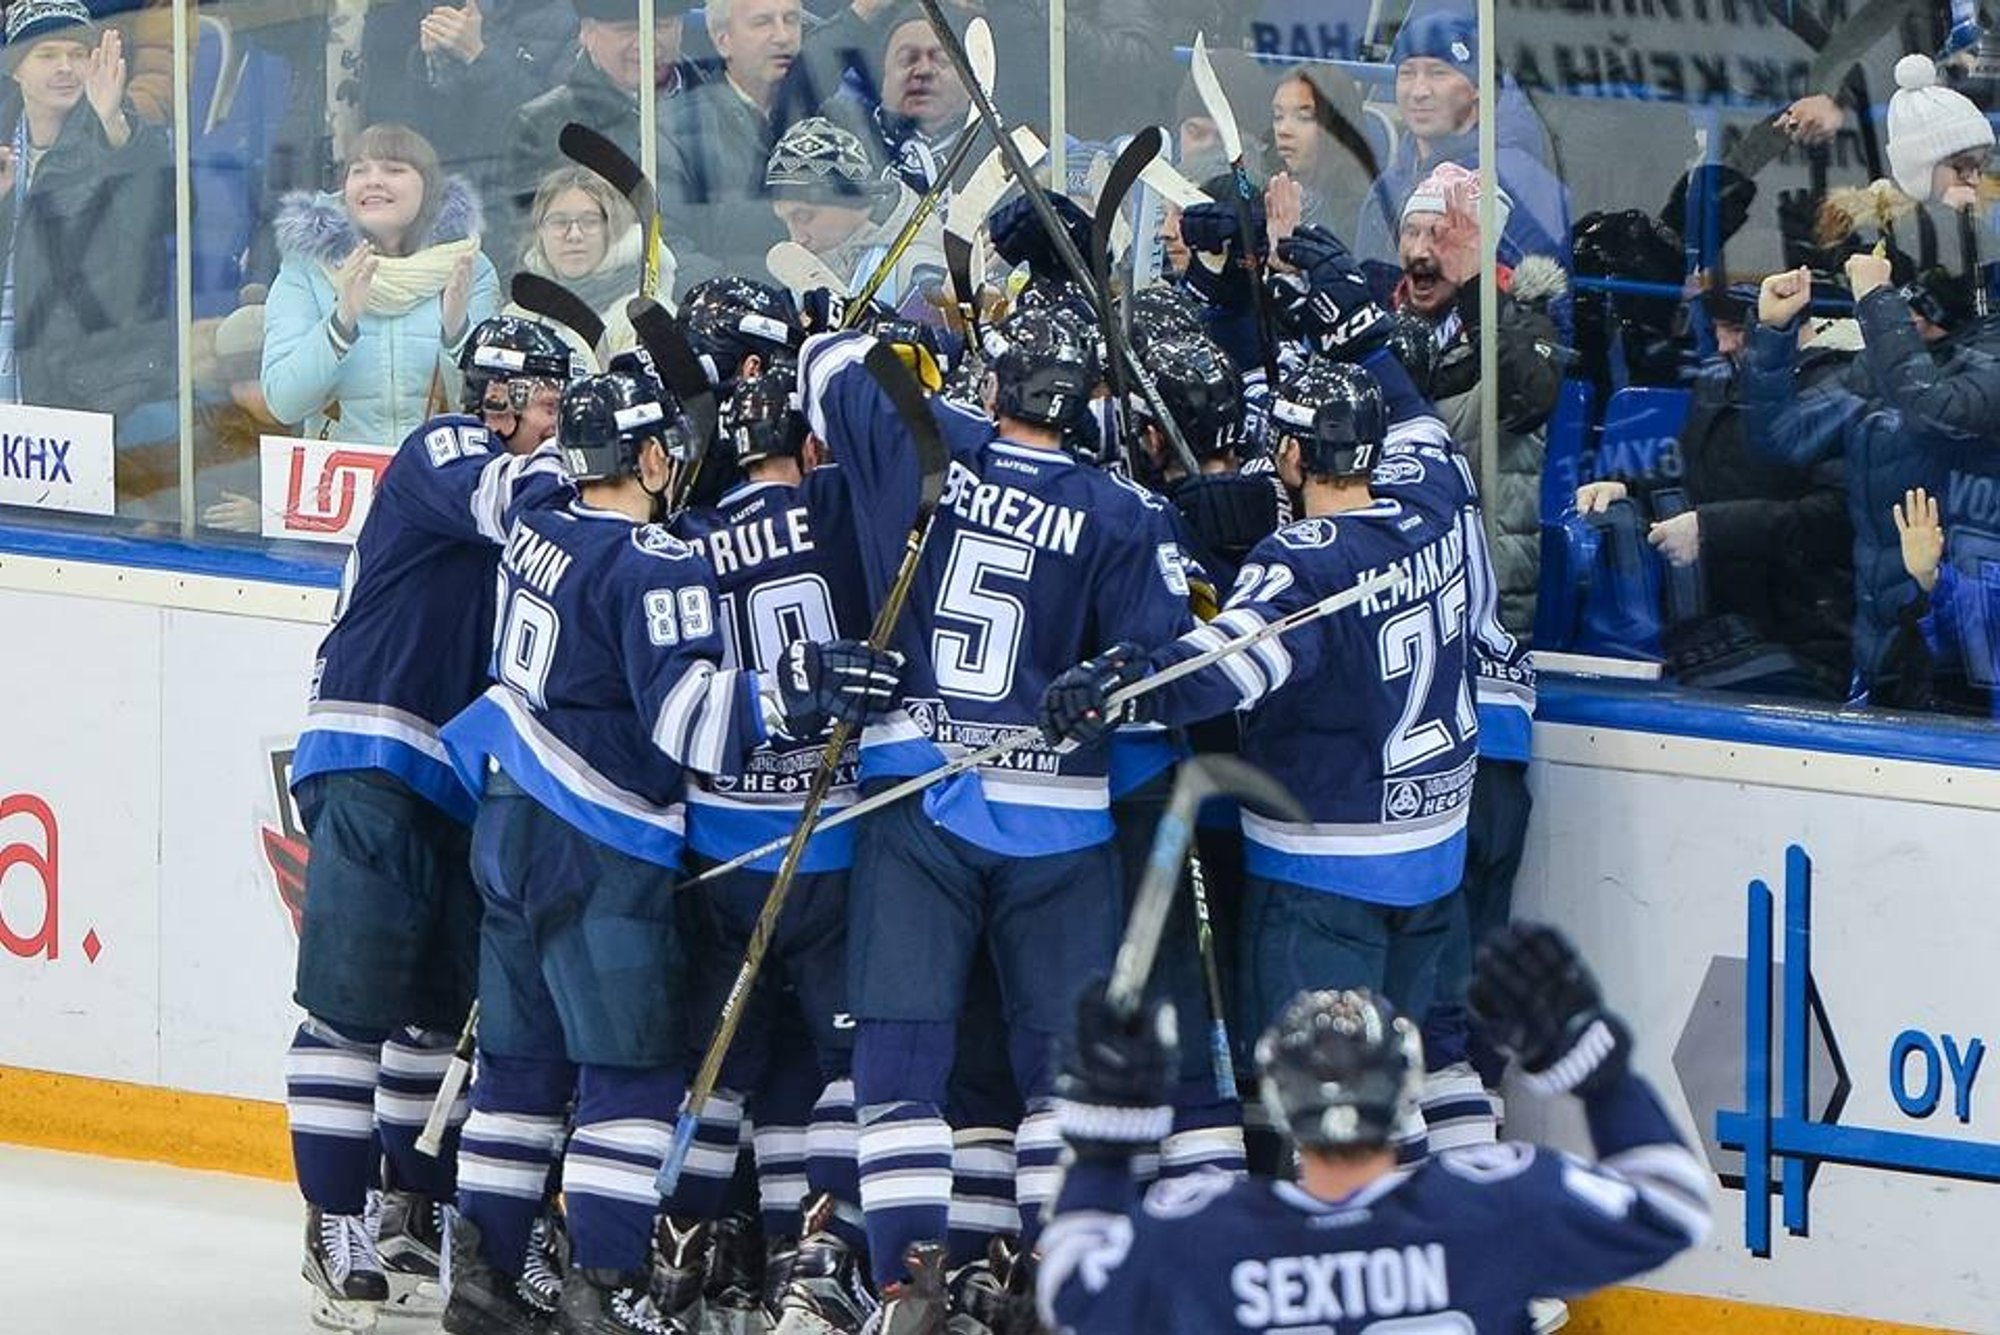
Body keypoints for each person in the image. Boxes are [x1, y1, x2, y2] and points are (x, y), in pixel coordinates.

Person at [437, 367, 905, 1335]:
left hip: (507, 815)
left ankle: (483, 1279)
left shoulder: (536, 521)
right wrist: (797, 688)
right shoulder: (655, 561)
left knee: (519, 1065)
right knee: (634, 1071)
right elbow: (688, 722)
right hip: (597, 834)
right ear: (649, 456)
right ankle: (606, 1288)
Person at [806, 307, 1197, 1329]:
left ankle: (905, 1284)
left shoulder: (922, 436)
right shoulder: (1123, 509)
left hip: (917, 800)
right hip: (1061, 824)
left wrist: (916, 359)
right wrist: (1112, 678)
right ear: (1087, 404)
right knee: (1062, 1073)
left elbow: (826, 360)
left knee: (900, 1055)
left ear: (992, 386)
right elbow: (1170, 670)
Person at [281, 315, 577, 1333]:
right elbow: (521, 504)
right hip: (373, 748)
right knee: (351, 1003)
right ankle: (334, 1218)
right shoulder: (444, 446)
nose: (560, 421)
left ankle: (412, 1207)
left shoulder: (534, 480)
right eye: (551, 402)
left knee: (437, 1016)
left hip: (461, 775)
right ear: (498, 398)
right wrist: (615, 450)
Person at [1035, 925, 1712, 1333]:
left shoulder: (1207, 1232)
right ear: (1407, 1091)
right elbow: (1674, 1205)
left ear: (1277, 1098)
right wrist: (1598, 1073)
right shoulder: (1493, 1208)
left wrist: (1104, 1150)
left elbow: (1068, 1297)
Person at [659, 347, 923, 1333]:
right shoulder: (844, 514)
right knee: (833, 1069)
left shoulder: (687, 540)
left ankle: (681, 1263)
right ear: (812, 447)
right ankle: (803, 1260)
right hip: (833, 847)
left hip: (719, 848)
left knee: (722, 1065)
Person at [1575, 282, 1855, 701]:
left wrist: (1710, 527)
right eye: (1718, 329)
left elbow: (1831, 518)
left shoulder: (1840, 392)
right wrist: (1629, 486)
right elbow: (1691, 469)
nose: (1723, 344)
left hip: (1800, 637)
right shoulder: (1719, 379)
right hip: (1715, 626)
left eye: (1736, 330)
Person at [1746, 253, 2000, 704]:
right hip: (1883, 642)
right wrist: (1774, 334)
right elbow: (1782, 436)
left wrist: (1878, 300)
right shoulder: (1875, 368)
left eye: (1911, 299)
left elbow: (1935, 411)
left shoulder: (1987, 361)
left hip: (1968, 651)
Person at [0, 2, 175, 516]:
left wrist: (114, 123)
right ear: (15, 69)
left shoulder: (119, 131)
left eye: (78, 54)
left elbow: (161, 213)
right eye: (46, 54)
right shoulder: (5, 145)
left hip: (83, 388)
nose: (65, 68)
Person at [1389, 161, 1566, 638]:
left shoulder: (1526, 323)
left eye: (1441, 236)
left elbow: (1525, 396)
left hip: (1489, 596)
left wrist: (1474, 287)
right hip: (1398, 586)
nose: (1421, 252)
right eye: (1411, 232)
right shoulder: (1380, 327)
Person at [263, 123, 500, 451]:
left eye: (394, 169)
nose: (373, 180)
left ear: (428, 187)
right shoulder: (308, 269)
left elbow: (492, 411)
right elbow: (283, 403)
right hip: (338, 477)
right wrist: (341, 322)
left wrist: (457, 334)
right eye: (359, 170)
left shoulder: (468, 267)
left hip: (439, 474)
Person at [1351, 2, 1567, 270]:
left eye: (1438, 73)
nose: (1419, 91)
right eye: (1407, 73)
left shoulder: (1519, 182)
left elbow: (1538, 291)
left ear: (1477, 86)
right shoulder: (1388, 184)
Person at [504, 1, 702, 261]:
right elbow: (535, 250)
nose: (646, 42)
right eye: (627, 29)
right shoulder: (544, 125)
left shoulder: (722, 102)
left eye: (661, 26)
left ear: (681, 27)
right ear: (587, 33)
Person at [657, 0, 809, 295]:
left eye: (791, 20)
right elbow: (667, 248)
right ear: (723, 41)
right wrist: (748, 299)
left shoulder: (837, 115)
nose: (783, 36)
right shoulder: (675, 130)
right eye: (762, 22)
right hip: (731, 309)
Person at [767, 113, 946, 311]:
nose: (797, 238)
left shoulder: (919, 272)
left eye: (804, 217)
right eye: (785, 222)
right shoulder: (805, 270)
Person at [503, 165, 674, 365]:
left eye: (590, 221)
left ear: (613, 229)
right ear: (540, 232)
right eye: (559, 222)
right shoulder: (518, 317)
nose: (574, 235)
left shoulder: (645, 317)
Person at [1269, 66, 1375, 239]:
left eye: (1303, 117)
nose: (1283, 130)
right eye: (1278, 116)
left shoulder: (1361, 213)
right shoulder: (1268, 188)